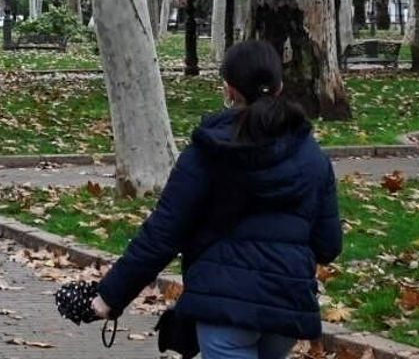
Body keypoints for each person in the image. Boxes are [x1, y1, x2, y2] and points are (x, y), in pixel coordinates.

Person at [90, 40, 342, 359]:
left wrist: (110, 296)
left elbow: (163, 233)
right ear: (279, 87)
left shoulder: (209, 151)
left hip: (224, 308)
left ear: (229, 89)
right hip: (287, 310)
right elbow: (328, 245)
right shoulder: (312, 156)